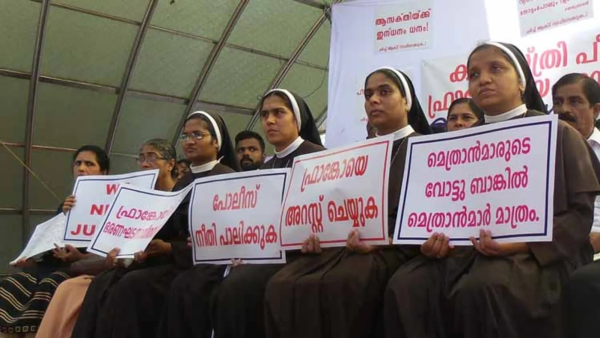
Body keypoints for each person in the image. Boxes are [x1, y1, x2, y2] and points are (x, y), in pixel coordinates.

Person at [384, 42, 600, 338]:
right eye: (474, 74)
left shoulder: (558, 133)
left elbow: (579, 215)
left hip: (538, 255)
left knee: (485, 287)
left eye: (495, 69)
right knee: (406, 285)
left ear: (522, 80)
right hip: (464, 252)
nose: (483, 79)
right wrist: (429, 240)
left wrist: (523, 243)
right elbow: (440, 209)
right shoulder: (454, 147)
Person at [264, 68, 431, 338]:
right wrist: (314, 234)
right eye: (368, 94)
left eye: (384, 92)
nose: (373, 100)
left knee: (345, 282)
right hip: (349, 247)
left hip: (396, 249)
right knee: (281, 284)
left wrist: (384, 241)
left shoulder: (427, 148)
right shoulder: (353, 156)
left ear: (406, 101)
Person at [72, 112, 239, 338]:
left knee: (133, 284)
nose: (189, 141)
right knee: (105, 281)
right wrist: (137, 247)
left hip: (203, 263)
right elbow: (166, 228)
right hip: (175, 257)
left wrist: (170, 249)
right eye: (185, 135)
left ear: (216, 141)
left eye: (198, 135)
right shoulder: (185, 180)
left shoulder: (226, 177)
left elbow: (229, 234)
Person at [208, 89, 324, 338]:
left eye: (278, 113)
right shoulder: (266, 167)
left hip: (305, 253)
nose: (269, 120)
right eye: (265, 114)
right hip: (269, 255)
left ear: (297, 119)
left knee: (239, 287)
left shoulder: (319, 157)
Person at [36, 139, 179, 338]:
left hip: (160, 267)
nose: (145, 163)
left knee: (117, 286)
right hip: (120, 266)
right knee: (72, 286)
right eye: (142, 158)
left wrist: (162, 249)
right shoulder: (136, 198)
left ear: (171, 164)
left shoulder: (180, 195)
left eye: (152, 157)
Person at [0, 145, 109, 338]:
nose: (82, 168)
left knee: (51, 282)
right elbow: (50, 242)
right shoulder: (67, 205)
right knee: (13, 282)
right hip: (54, 264)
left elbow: (108, 249)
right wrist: (30, 259)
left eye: (89, 164)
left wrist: (79, 257)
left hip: (82, 268)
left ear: (104, 172)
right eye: (78, 163)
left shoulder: (113, 205)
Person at [555, 74, 600, 338]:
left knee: (583, 284)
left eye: (575, 102)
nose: (564, 110)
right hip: (559, 247)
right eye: (558, 102)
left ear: (596, 110)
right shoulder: (542, 150)